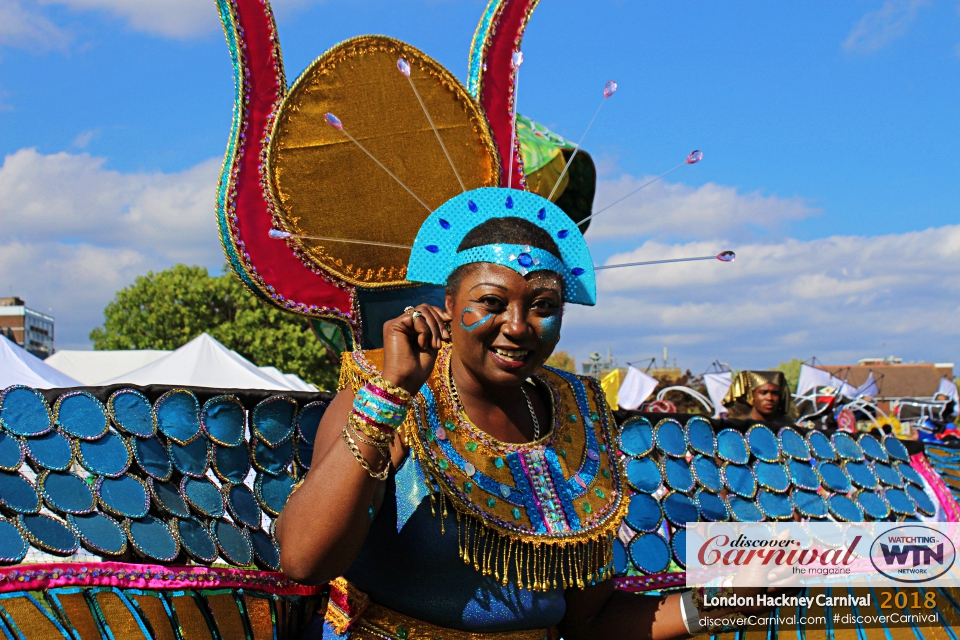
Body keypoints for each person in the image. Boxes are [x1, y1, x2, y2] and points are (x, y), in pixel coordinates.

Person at [276, 189, 794, 640]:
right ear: (449, 304)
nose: (519, 326)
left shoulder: (581, 418)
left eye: (543, 306)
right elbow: (304, 561)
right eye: (491, 302)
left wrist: (728, 600)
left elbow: (589, 623)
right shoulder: (385, 392)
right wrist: (388, 400)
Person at [721, 371, 798, 425]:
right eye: (763, 393)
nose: (770, 398)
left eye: (775, 393)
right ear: (751, 396)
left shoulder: (785, 430)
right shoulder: (738, 428)